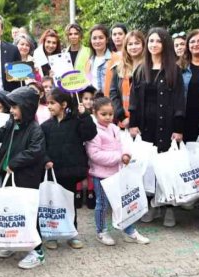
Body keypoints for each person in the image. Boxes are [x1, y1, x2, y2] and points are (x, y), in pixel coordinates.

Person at [0, 86, 47, 269]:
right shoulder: (11, 122)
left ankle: (37, 251)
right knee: (14, 209)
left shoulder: (34, 129)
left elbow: (35, 151)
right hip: (9, 175)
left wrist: (14, 163)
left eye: (16, 107)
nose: (12, 110)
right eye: (12, 107)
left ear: (27, 107)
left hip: (26, 177)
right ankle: (16, 242)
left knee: (28, 212)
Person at [129, 27, 185, 228]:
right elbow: (134, 100)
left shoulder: (174, 70)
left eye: (158, 41)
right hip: (146, 127)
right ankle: (152, 205)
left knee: (166, 167)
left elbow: (179, 101)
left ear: (165, 44)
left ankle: (169, 206)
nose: (153, 44)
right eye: (151, 41)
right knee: (148, 168)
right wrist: (133, 124)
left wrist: (178, 128)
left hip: (167, 126)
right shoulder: (140, 70)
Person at [87, 97, 150, 246]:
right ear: (95, 113)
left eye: (110, 114)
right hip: (101, 176)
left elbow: (123, 144)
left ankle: (129, 230)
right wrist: (119, 157)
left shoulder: (115, 128)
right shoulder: (93, 131)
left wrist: (127, 154)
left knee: (123, 202)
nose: (108, 117)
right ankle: (101, 231)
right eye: (104, 114)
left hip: (118, 173)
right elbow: (94, 155)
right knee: (102, 204)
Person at [42, 88, 97, 250]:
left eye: (52, 103)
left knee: (69, 203)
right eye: (48, 103)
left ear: (64, 104)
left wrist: (85, 115)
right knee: (53, 204)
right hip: (53, 172)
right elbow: (40, 147)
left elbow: (90, 134)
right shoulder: (45, 126)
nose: (49, 106)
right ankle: (52, 235)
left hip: (70, 171)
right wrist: (46, 160)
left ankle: (71, 233)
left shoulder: (76, 121)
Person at [108, 30, 145, 129]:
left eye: (137, 43)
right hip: (122, 122)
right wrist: (122, 117)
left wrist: (133, 121)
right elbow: (113, 94)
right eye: (130, 44)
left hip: (143, 123)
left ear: (143, 45)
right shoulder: (119, 68)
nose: (133, 47)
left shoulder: (150, 68)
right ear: (126, 47)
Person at [78, 24, 113, 91]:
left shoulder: (115, 59)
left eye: (101, 38)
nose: (97, 41)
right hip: (93, 100)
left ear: (107, 40)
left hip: (108, 100)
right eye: (94, 38)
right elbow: (88, 82)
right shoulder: (89, 61)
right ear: (91, 41)